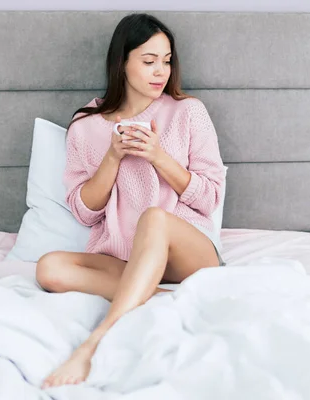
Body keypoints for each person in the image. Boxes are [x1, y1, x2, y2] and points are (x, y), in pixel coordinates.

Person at [37, 13, 226, 388]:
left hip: (188, 252)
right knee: (49, 268)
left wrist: (159, 157)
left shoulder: (188, 112)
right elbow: (84, 211)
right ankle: (155, 296)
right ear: (122, 63)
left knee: (153, 218)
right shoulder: (86, 125)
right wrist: (112, 156)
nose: (161, 72)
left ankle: (95, 342)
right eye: (149, 60)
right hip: (124, 258)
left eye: (167, 60)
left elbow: (211, 197)